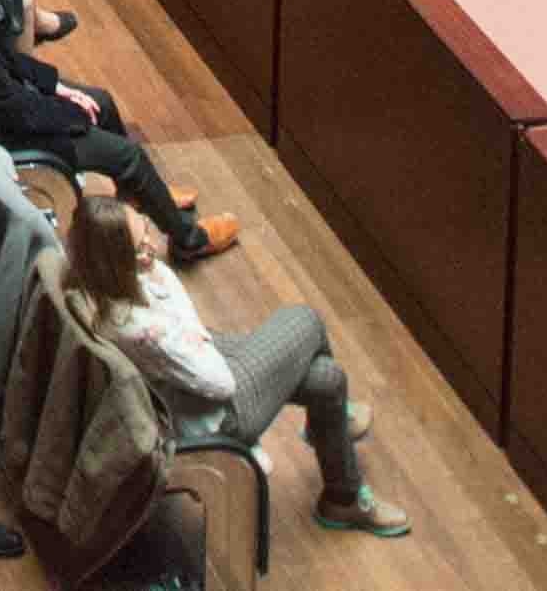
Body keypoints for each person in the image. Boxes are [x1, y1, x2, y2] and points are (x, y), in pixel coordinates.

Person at [62, 190, 411, 542]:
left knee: (326, 380)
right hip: (217, 415)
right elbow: (220, 382)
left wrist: (176, 309)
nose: (152, 246)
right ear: (114, 260)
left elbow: (189, 343)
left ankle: (342, 492)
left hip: (187, 373)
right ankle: (335, 449)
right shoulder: (140, 329)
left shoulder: (94, 280)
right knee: (305, 319)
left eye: (147, 231)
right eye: (140, 247)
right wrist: (168, 288)